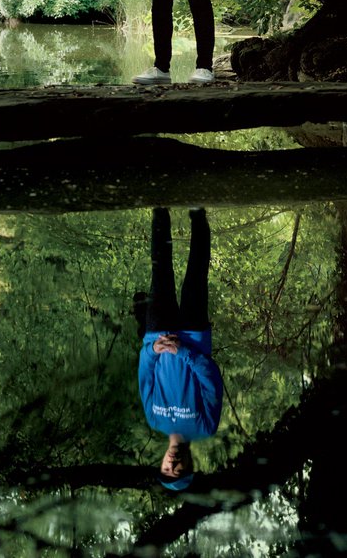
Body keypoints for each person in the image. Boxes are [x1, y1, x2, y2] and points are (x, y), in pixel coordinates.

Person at [135, 207, 224, 490]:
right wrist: (183, 352)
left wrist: (153, 349)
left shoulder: (154, 420)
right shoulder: (205, 427)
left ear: (161, 463)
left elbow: (145, 373)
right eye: (178, 470)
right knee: (196, 272)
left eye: (166, 470)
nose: (172, 465)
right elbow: (211, 378)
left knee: (160, 268)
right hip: (193, 335)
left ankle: (160, 209)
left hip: (158, 333)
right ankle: (198, 212)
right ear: (190, 465)